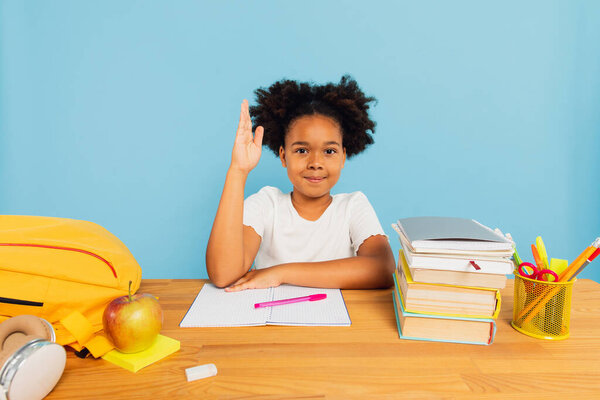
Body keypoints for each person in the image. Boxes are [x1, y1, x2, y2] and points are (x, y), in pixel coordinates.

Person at [206, 75, 395, 291]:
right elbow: (223, 275)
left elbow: (383, 269)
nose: (315, 163)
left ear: (343, 157)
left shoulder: (353, 207)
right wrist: (238, 170)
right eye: (302, 150)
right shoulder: (266, 204)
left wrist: (280, 273)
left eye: (329, 151)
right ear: (284, 156)